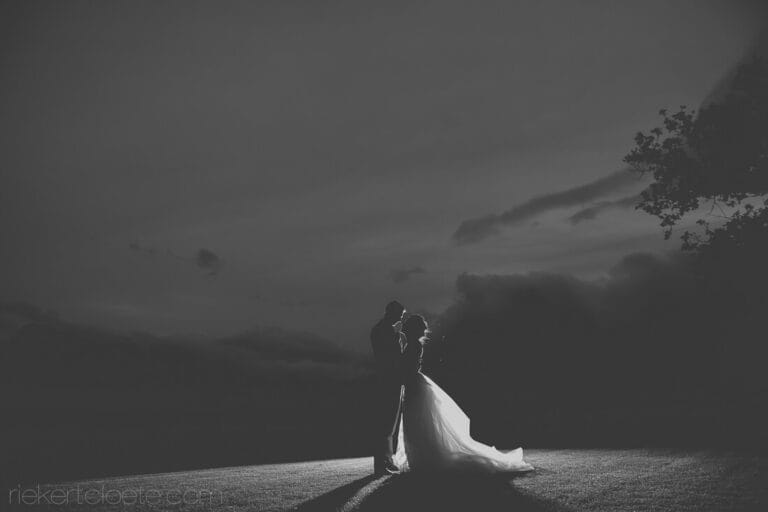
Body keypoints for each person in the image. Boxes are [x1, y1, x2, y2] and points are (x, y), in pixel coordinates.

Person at [392, 314, 534, 474]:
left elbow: (406, 367)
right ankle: (418, 460)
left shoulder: (413, 346)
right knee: (415, 423)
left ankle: (421, 461)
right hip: (413, 385)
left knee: (417, 422)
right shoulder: (412, 344)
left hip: (413, 386)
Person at [369, 300, 407, 475]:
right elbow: (385, 355)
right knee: (385, 422)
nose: (400, 319)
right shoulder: (380, 331)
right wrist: (396, 336)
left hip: (395, 381)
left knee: (391, 422)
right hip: (386, 381)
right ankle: (381, 463)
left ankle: (387, 460)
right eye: (399, 315)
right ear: (390, 313)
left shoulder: (391, 331)